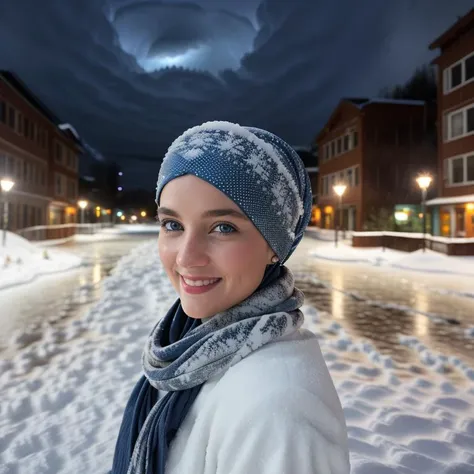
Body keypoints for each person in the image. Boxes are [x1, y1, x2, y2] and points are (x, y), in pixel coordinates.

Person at [111, 121, 350, 474]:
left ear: (275, 245)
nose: (185, 258)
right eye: (172, 225)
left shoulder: (278, 412)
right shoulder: (185, 347)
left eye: (223, 227)